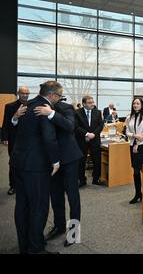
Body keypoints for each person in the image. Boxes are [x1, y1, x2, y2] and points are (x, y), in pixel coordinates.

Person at [11, 81, 62, 254]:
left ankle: (25, 246)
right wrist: (55, 161)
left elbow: (20, 131)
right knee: (38, 207)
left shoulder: (27, 105)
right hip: (36, 167)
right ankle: (36, 249)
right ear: (52, 95)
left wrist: (15, 118)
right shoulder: (43, 109)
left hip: (18, 163)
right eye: (59, 96)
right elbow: (49, 138)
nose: (59, 99)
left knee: (22, 206)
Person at [33, 99, 83, 247]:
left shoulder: (66, 108)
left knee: (73, 197)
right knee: (55, 196)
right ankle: (59, 226)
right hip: (51, 160)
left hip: (69, 159)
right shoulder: (38, 107)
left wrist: (52, 113)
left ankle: (73, 233)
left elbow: (70, 126)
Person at [1, 86, 30, 195]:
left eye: (27, 93)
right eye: (23, 93)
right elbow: (6, 123)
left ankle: (25, 184)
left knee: (27, 162)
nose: (25, 95)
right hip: (14, 139)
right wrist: (4, 137)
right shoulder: (10, 106)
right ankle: (13, 185)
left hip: (28, 140)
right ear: (18, 93)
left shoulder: (32, 106)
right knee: (13, 163)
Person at [125, 98, 143, 204]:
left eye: (137, 103)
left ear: (141, 105)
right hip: (132, 145)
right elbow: (127, 131)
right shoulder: (129, 117)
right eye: (134, 103)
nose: (135, 105)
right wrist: (135, 136)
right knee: (135, 171)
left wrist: (138, 142)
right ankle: (137, 193)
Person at [75, 95, 104, 187]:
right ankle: (82, 180)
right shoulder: (77, 113)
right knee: (81, 161)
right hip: (82, 140)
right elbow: (76, 126)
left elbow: (100, 125)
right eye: (89, 102)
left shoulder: (98, 112)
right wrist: (87, 134)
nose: (92, 104)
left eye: (92, 102)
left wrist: (93, 135)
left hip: (95, 140)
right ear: (84, 104)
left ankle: (96, 179)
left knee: (97, 160)